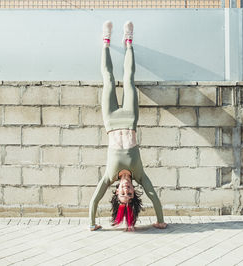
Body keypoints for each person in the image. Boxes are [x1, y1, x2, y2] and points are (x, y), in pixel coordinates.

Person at [89, 21, 167, 232]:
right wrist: (160, 221)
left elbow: (94, 200)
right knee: (129, 81)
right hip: (131, 119)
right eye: (130, 193)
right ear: (134, 191)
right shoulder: (139, 175)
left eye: (123, 193)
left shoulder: (109, 176)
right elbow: (154, 197)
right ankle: (128, 42)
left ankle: (106, 43)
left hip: (111, 119)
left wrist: (91, 223)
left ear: (116, 193)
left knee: (108, 80)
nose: (126, 190)